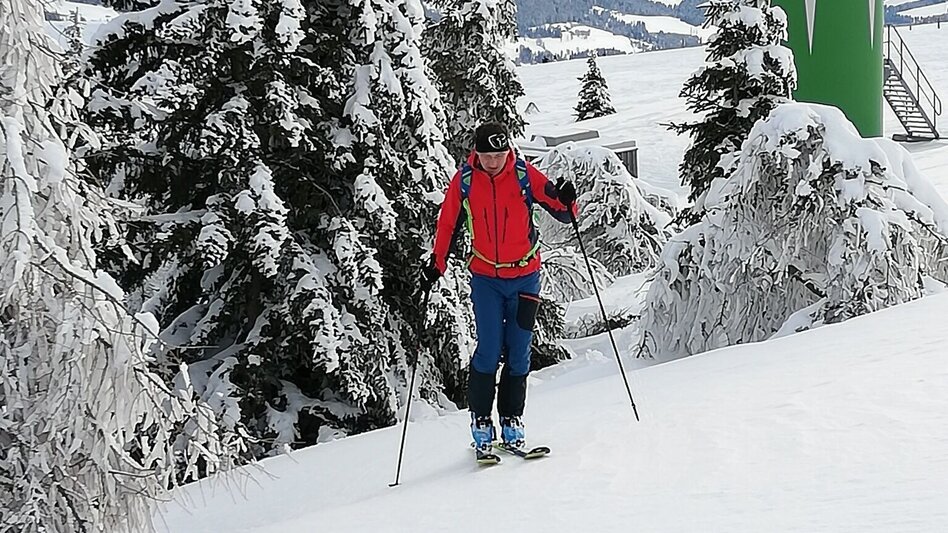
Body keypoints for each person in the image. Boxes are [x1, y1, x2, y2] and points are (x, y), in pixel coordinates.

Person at [423, 121, 577, 454]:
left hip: (525, 278)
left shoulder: (524, 175)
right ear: (475, 153)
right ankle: (481, 420)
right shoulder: (465, 181)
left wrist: (567, 199)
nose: (493, 161)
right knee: (489, 350)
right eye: (486, 154)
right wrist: (438, 263)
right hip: (486, 280)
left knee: (520, 352)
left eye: (499, 154)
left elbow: (564, 213)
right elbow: (448, 222)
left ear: (508, 151)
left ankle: (511, 420)